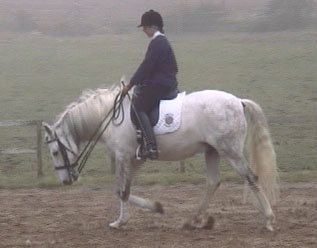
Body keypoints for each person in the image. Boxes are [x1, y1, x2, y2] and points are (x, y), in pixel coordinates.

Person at [121, 10, 179, 160]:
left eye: (145, 28)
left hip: (161, 84)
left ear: (152, 27)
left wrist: (130, 84)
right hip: (164, 82)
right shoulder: (162, 41)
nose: (144, 31)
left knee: (138, 107)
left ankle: (151, 146)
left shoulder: (157, 42)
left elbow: (146, 66)